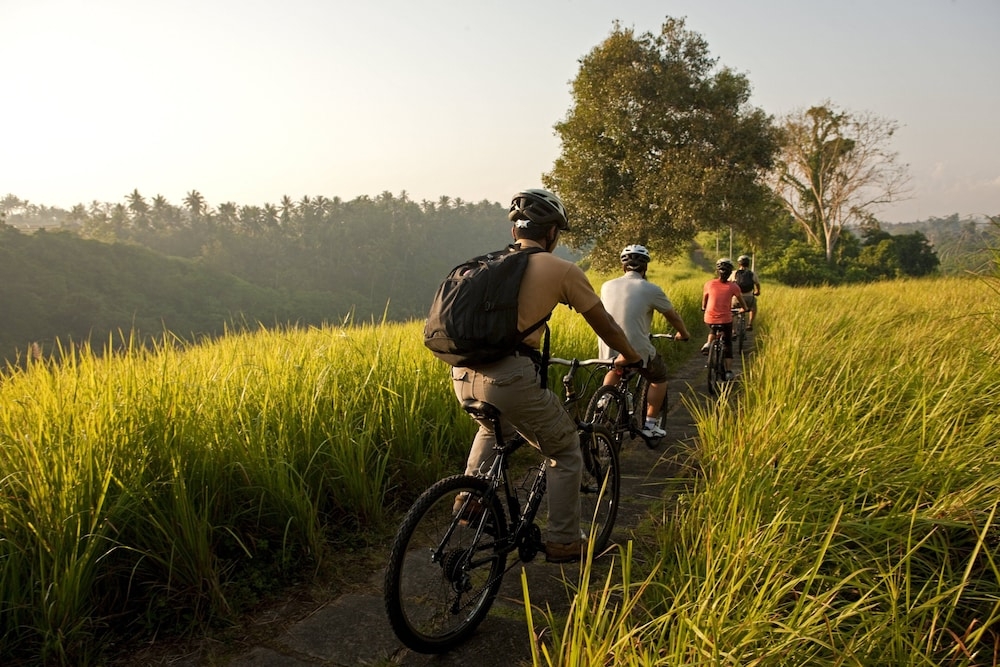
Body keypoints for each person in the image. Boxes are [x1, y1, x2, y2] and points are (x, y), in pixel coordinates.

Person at [451, 188, 643, 564]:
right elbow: (604, 324)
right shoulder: (561, 270)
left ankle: (469, 502)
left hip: (461, 374)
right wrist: (632, 356)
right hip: (510, 380)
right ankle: (564, 540)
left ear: (514, 232)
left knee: (493, 429)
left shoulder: (484, 265)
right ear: (552, 233)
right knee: (565, 449)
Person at [597, 244, 690, 440]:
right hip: (636, 350)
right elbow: (672, 316)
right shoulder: (650, 289)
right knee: (658, 377)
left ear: (623, 267)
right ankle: (650, 425)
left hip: (609, 348)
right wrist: (683, 333)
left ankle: (603, 401)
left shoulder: (606, 286)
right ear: (644, 268)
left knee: (614, 369)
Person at [701, 258, 749, 381]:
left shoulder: (709, 284)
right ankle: (728, 371)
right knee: (727, 343)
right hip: (725, 319)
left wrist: (704, 308)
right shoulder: (733, 286)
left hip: (709, 317)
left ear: (717, 271)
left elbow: (704, 302)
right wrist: (744, 309)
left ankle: (708, 344)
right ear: (730, 273)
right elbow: (742, 303)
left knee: (713, 329)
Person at [731, 255, 761, 330]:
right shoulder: (752, 273)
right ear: (748, 264)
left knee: (731, 311)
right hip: (749, 298)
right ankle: (750, 324)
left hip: (736, 298)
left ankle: (733, 331)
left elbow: (729, 283)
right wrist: (757, 291)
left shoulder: (734, 273)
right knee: (753, 307)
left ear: (739, 264)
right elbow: (757, 284)